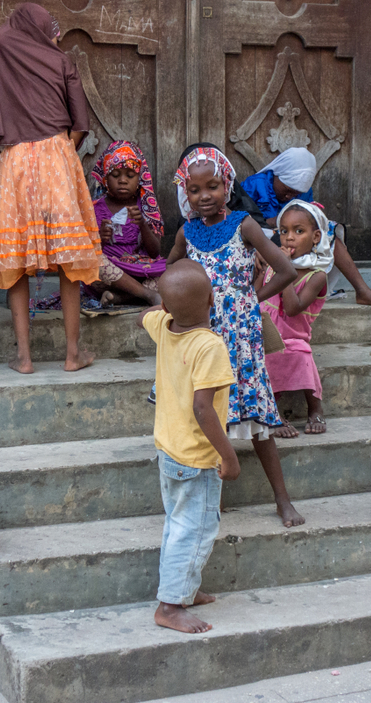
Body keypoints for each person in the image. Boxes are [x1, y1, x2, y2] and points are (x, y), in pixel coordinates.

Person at [167, 144, 306, 527]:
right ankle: (213, 500)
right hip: (201, 338)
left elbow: (286, 271)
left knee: (258, 422)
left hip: (240, 341)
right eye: (194, 190)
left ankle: (282, 500)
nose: (204, 196)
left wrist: (249, 298)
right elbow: (170, 274)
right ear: (185, 193)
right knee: (209, 418)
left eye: (212, 186)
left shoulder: (244, 224)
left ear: (226, 185)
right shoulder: (186, 232)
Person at [0, 2, 101, 374]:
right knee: (69, 261)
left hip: (12, 161)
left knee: (15, 259)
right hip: (57, 157)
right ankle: (73, 354)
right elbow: (80, 125)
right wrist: (58, 156)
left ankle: (24, 358)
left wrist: (7, 159)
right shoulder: (62, 62)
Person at [139, 260, 240, 634]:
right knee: (193, 530)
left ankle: (185, 587)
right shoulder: (209, 346)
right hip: (197, 457)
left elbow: (144, 317)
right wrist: (228, 456)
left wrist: (162, 307)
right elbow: (203, 408)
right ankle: (170, 606)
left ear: (165, 307)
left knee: (176, 524)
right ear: (213, 299)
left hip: (168, 449)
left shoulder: (163, 327)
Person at [237, 147, 371, 314]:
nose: (289, 196)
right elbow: (239, 219)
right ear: (278, 175)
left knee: (330, 231)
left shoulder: (303, 193)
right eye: (286, 190)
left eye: (295, 193)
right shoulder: (254, 184)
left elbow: (308, 219)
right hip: (261, 236)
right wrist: (273, 222)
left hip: (288, 235)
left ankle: (363, 291)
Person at [259, 200, 331, 437]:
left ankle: (315, 408)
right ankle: (273, 412)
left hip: (293, 338)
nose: (289, 237)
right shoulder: (271, 267)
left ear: (316, 236)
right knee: (264, 360)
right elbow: (255, 295)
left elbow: (292, 309)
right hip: (264, 334)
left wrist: (285, 271)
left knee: (301, 357)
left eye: (299, 231)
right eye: (284, 231)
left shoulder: (316, 276)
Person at [89, 140, 165, 306]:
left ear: (139, 178)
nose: (122, 181)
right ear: (105, 178)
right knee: (89, 258)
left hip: (140, 271)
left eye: (130, 176)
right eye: (115, 175)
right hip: (108, 278)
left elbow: (154, 252)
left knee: (171, 274)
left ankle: (120, 298)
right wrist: (100, 239)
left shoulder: (146, 205)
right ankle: (147, 294)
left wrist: (143, 225)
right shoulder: (95, 208)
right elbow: (91, 251)